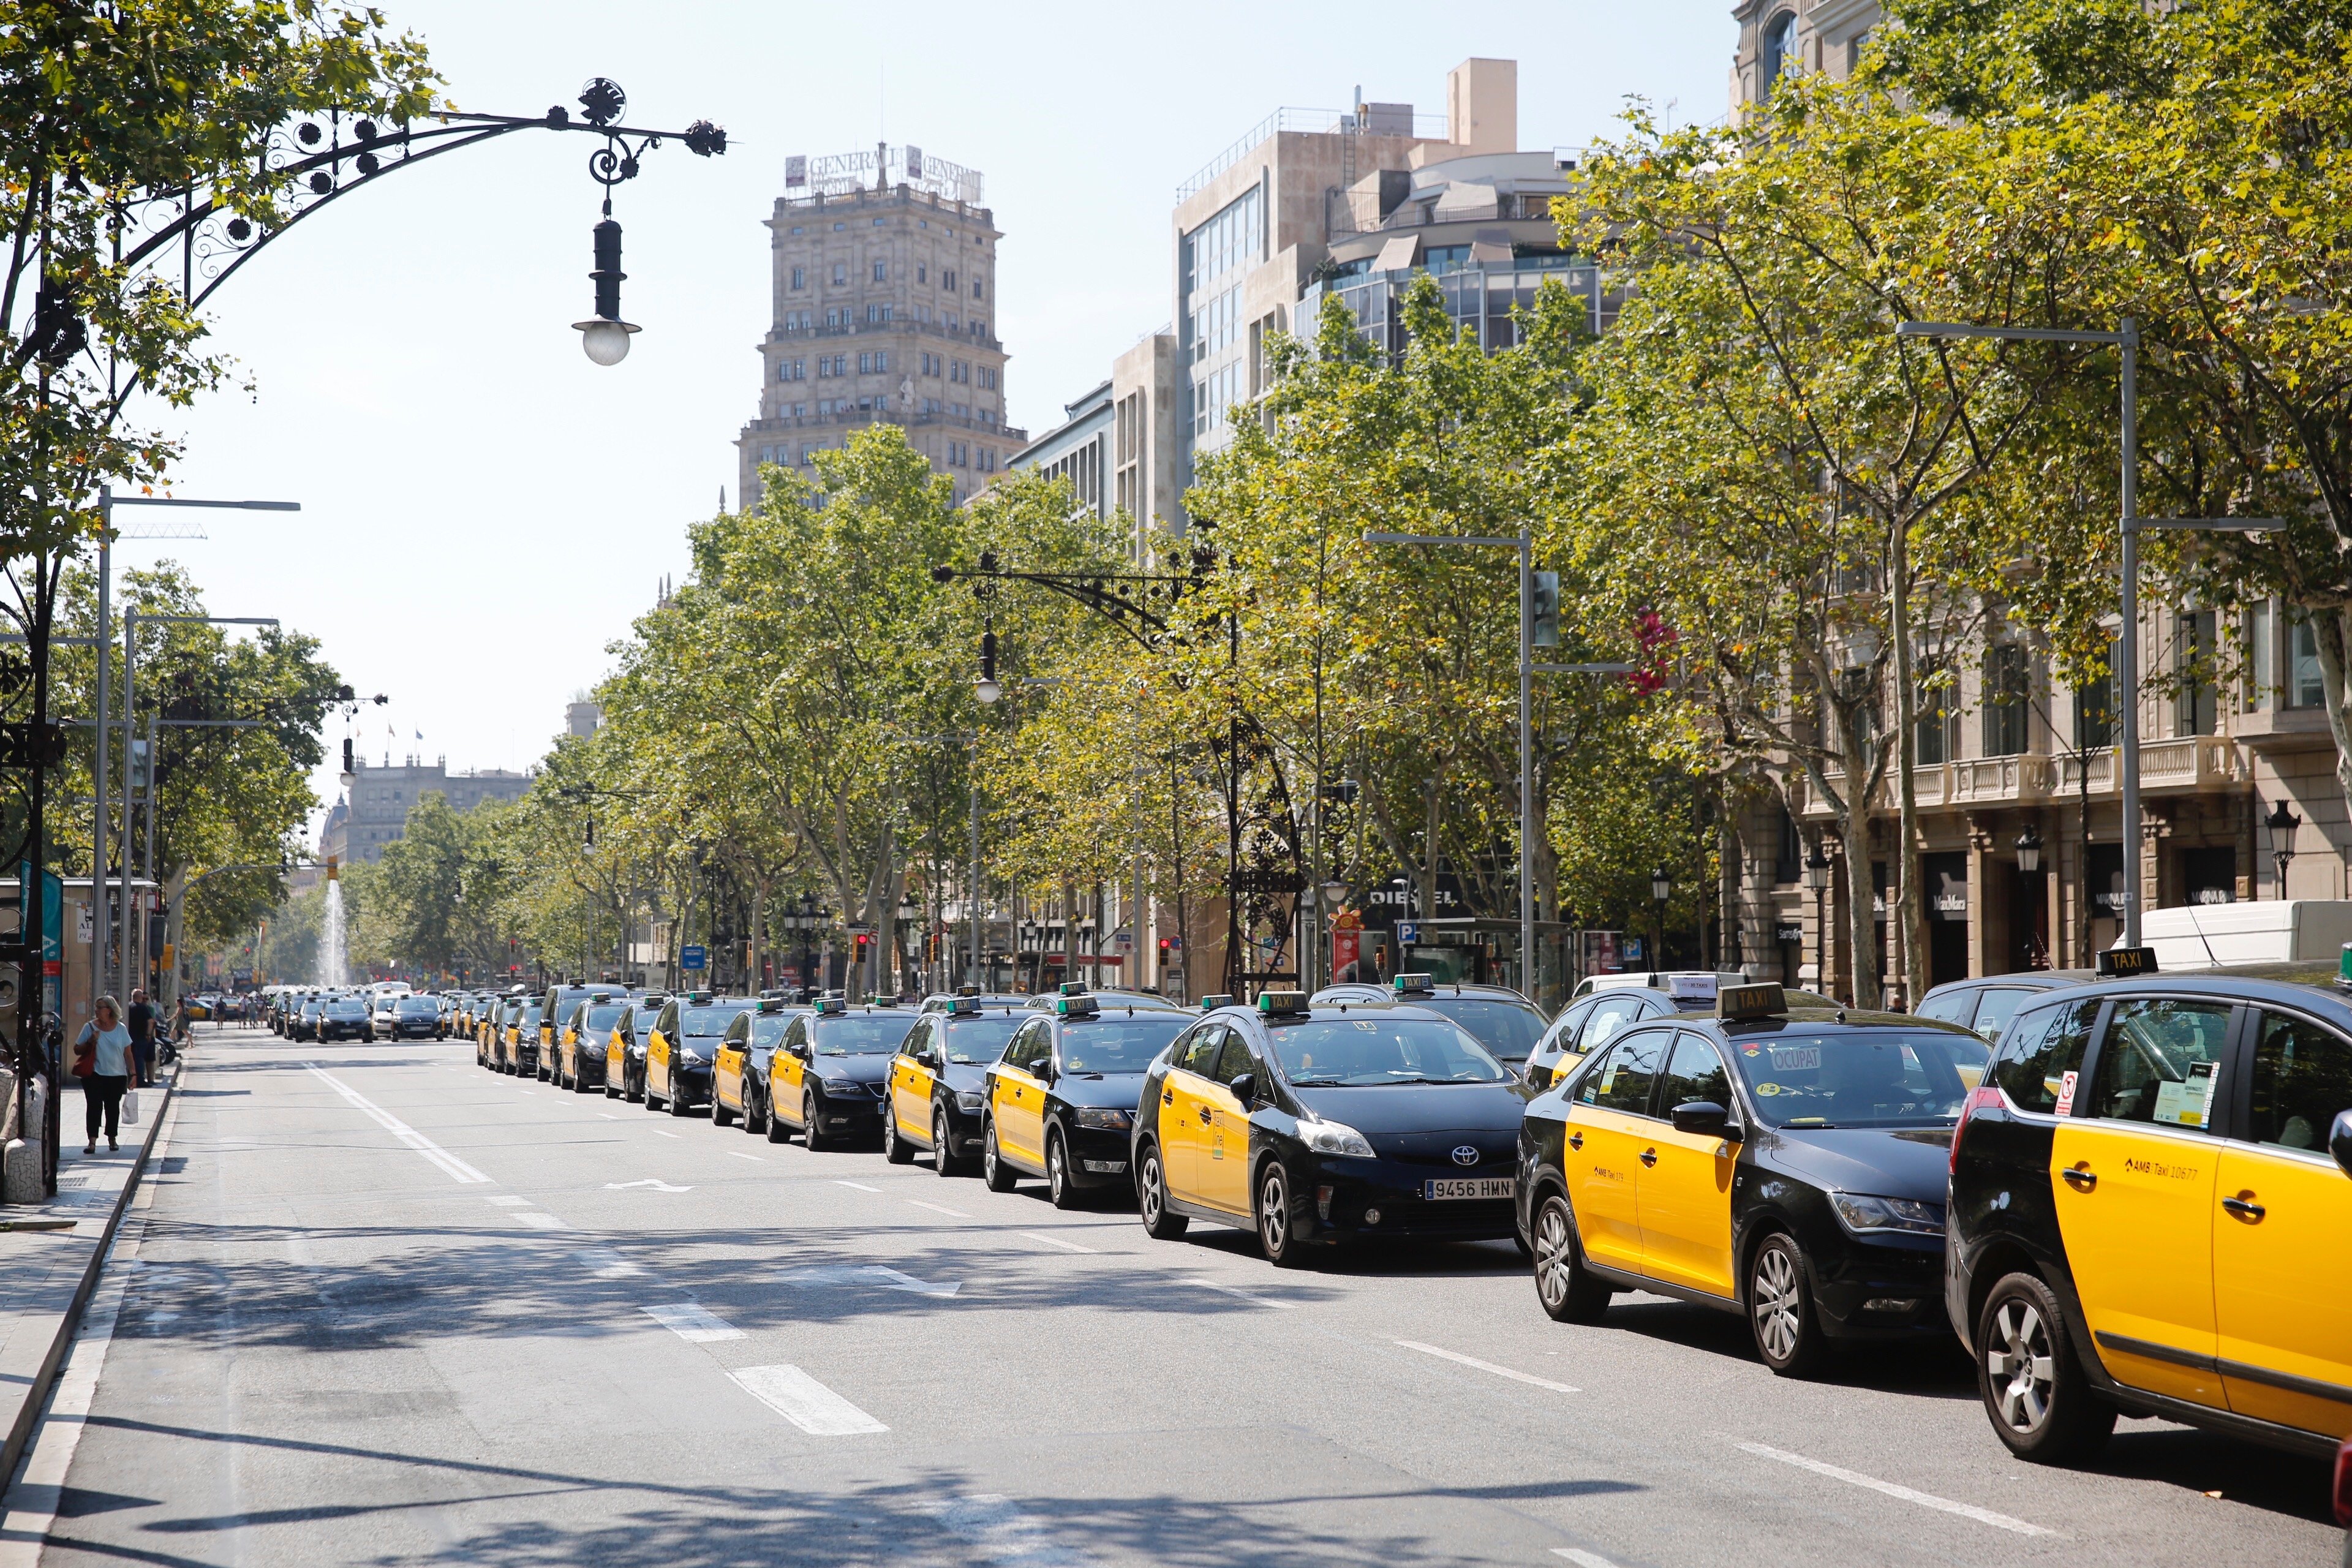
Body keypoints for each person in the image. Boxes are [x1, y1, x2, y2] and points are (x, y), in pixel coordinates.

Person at [74, 995, 134, 1155]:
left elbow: (128, 1053)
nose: (97, 1010)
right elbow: (77, 1049)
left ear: (110, 1010)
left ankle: (112, 1138)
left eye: (100, 1007)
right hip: (94, 1074)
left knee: (112, 1108)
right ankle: (92, 1141)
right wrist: (91, 1041)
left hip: (117, 1076)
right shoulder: (90, 1027)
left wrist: (133, 1074)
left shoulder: (121, 1028)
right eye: (96, 1007)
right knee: (94, 1107)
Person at [126, 987, 155, 1087]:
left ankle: (130, 1079)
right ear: (141, 998)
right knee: (139, 1059)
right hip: (141, 1038)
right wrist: (148, 1034)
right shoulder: (143, 1008)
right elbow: (151, 1021)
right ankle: (140, 1081)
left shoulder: (127, 1007)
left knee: (129, 1058)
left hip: (128, 1037)